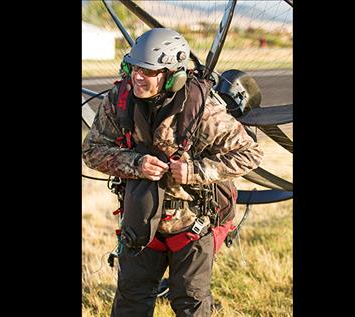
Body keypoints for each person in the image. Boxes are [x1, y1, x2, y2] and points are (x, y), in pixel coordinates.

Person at [82, 28, 264, 317]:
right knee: (130, 302)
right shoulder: (119, 101)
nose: (137, 76)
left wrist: (194, 171)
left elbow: (250, 154)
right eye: (134, 68)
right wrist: (136, 164)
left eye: (148, 71)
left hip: (191, 229)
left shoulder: (202, 109)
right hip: (140, 226)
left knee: (192, 306)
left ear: (173, 75)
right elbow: (91, 151)